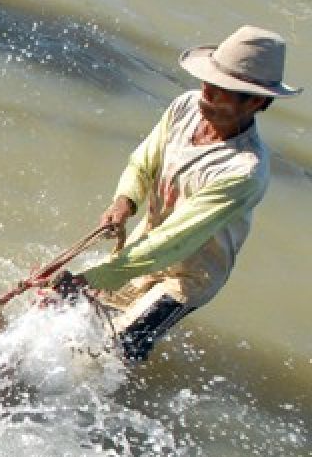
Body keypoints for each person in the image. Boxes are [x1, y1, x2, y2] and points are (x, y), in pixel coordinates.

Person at [50, 25, 301, 361]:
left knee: (116, 350)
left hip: (186, 275)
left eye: (219, 90)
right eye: (206, 82)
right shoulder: (185, 107)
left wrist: (94, 276)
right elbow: (144, 161)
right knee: (76, 312)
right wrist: (125, 201)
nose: (205, 93)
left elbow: (176, 242)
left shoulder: (245, 170)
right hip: (146, 246)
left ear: (254, 101)